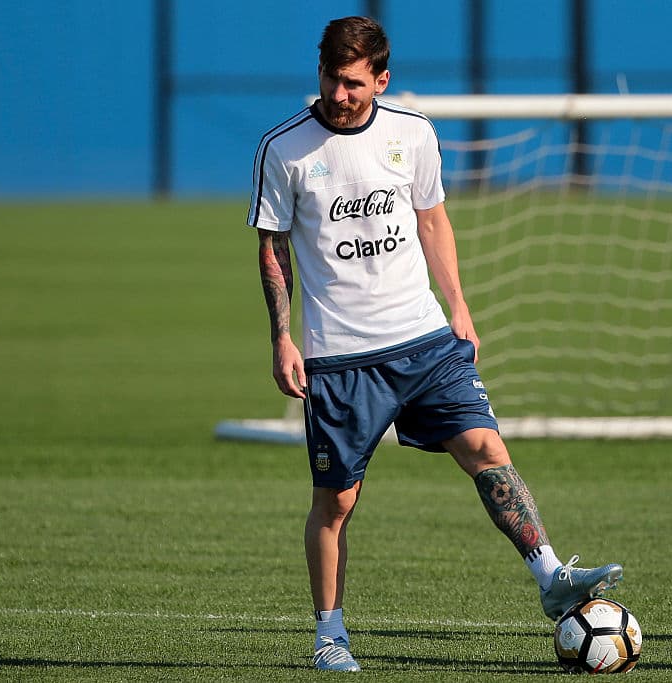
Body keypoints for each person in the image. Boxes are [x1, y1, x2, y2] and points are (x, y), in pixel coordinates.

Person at [247, 15, 622, 672]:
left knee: (486, 449)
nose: (339, 94)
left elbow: (432, 220)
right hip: (342, 357)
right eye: (332, 79)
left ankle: (550, 576)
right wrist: (282, 336)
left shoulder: (413, 133)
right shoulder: (283, 149)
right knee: (336, 502)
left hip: (424, 340)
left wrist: (459, 308)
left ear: (381, 80)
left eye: (354, 83)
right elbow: (272, 247)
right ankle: (330, 634)